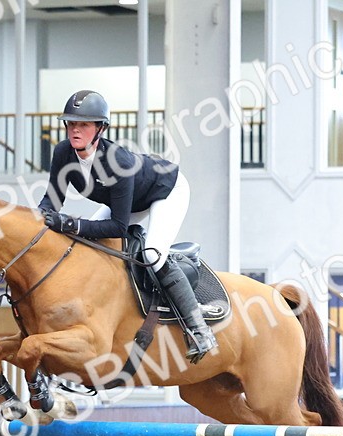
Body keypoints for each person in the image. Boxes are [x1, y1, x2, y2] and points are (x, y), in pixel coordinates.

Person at [37, 89, 217, 363]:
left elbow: (119, 227)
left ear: (100, 128)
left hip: (165, 190)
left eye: (83, 124)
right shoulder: (64, 153)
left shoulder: (116, 162)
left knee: (152, 254)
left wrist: (71, 224)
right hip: (129, 200)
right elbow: (52, 200)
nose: (75, 130)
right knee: (87, 246)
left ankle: (199, 328)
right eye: (71, 123)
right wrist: (34, 222)